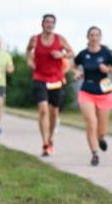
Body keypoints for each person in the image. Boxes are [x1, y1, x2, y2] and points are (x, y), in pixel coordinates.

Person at [25, 14, 75, 156]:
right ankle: (45, 143)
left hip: (56, 79)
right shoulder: (35, 39)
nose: (49, 24)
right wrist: (29, 60)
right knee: (43, 110)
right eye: (47, 22)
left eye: (52, 22)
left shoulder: (60, 39)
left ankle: (51, 138)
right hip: (39, 77)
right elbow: (28, 51)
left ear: (54, 25)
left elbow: (71, 53)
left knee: (54, 112)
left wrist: (61, 54)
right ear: (42, 24)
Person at [74, 27, 112, 166]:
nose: (94, 37)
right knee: (90, 123)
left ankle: (100, 139)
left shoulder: (106, 53)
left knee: (101, 130)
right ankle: (94, 154)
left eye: (97, 35)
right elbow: (73, 66)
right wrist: (76, 72)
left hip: (104, 93)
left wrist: (109, 69)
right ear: (87, 37)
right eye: (92, 35)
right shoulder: (83, 54)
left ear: (100, 37)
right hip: (86, 91)